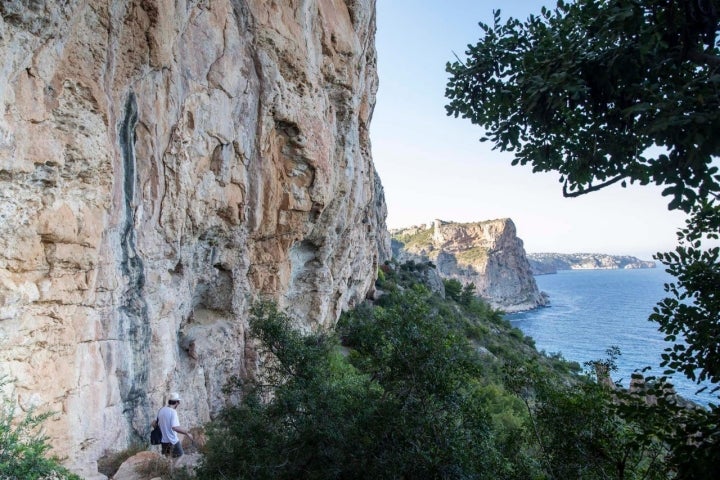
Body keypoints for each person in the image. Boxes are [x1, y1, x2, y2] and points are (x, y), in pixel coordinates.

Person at [156, 392, 194, 458]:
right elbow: (175, 427)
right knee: (181, 456)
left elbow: (154, 423)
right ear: (177, 402)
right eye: (178, 402)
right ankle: (174, 468)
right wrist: (187, 433)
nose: (178, 404)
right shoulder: (173, 412)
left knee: (168, 458)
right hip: (172, 441)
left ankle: (170, 468)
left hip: (163, 441)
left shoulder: (161, 410)